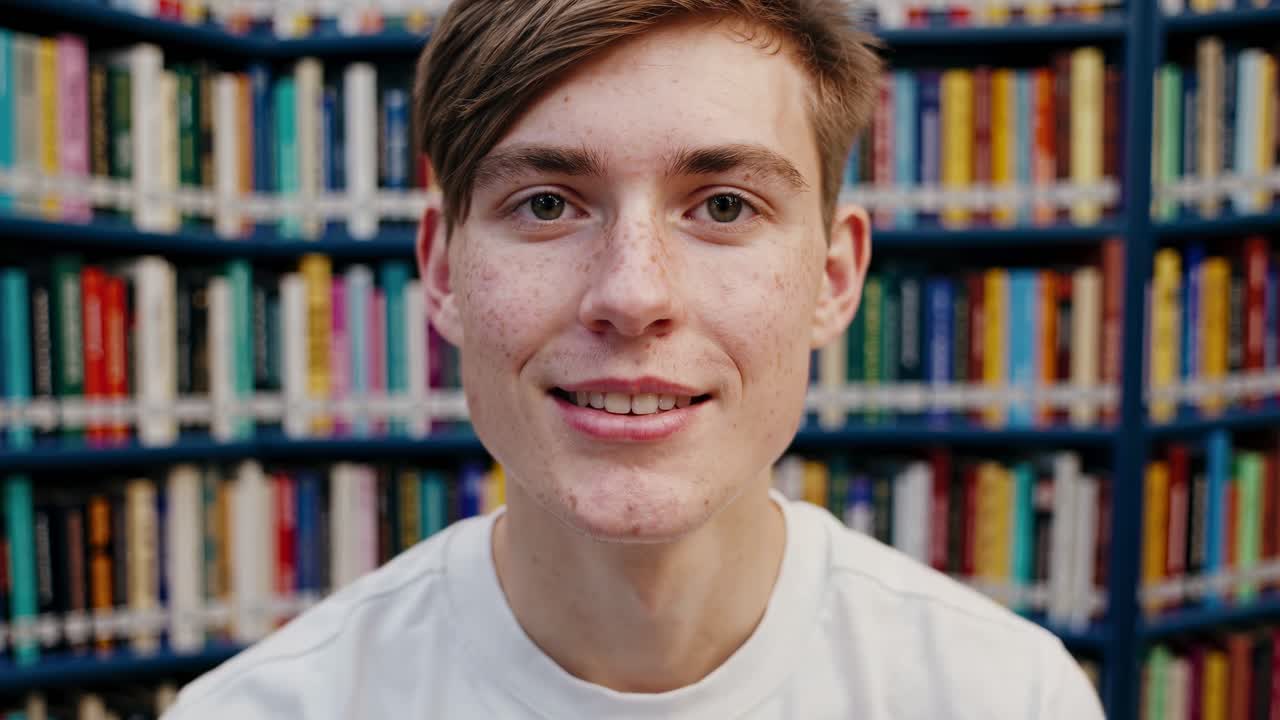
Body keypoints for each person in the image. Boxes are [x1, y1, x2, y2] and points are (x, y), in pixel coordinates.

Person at [166, 1, 1106, 717]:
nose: (633, 295)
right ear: (443, 272)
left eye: (725, 206)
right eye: (545, 204)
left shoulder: (1007, 696)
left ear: (833, 277)